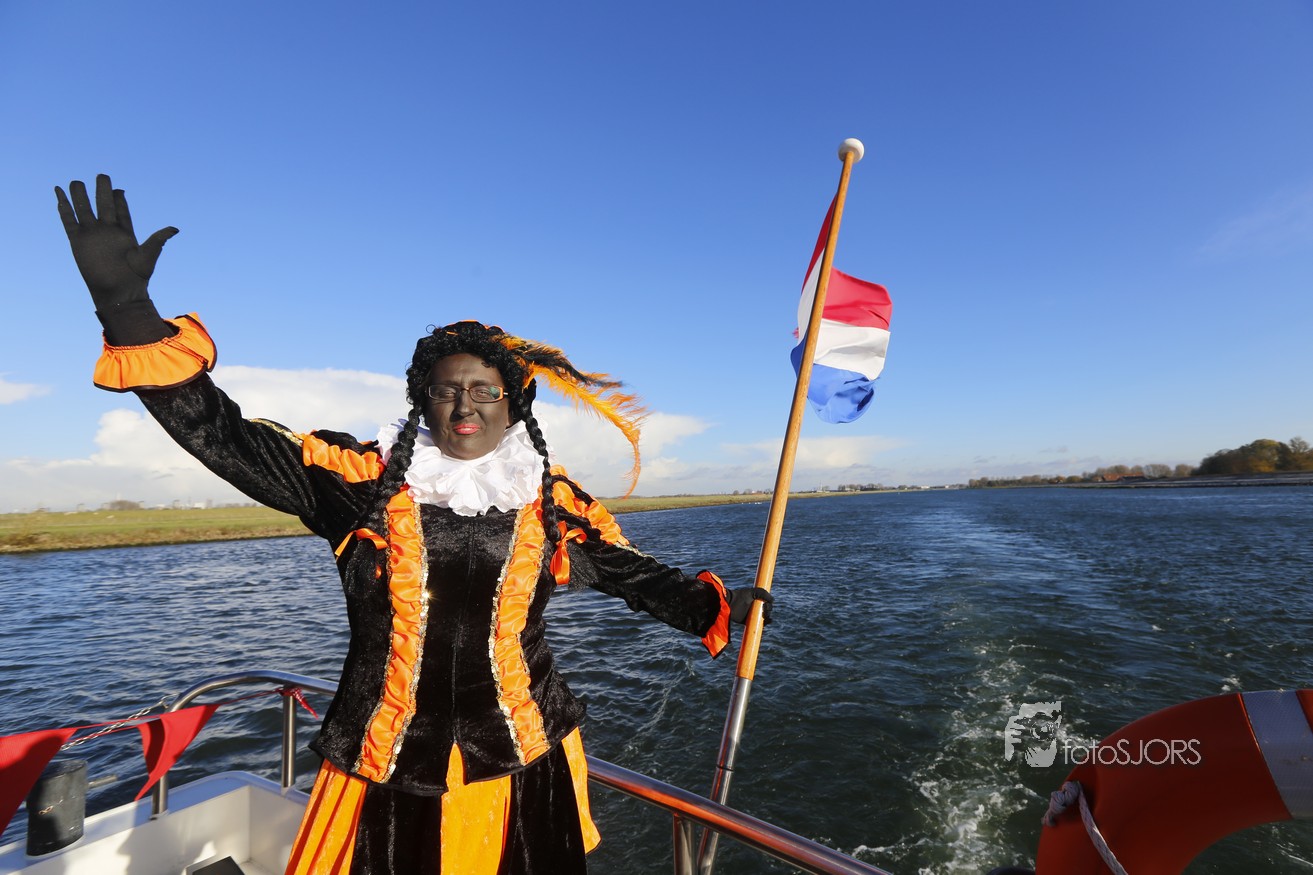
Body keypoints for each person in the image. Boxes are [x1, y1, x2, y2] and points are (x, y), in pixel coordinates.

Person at [55, 174, 772, 875]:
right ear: (422, 401)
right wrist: (129, 311)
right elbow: (226, 436)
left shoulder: (549, 503)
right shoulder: (356, 482)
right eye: (446, 390)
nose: (465, 406)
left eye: (484, 390)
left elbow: (634, 576)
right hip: (386, 764)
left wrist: (719, 606)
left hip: (525, 756)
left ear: (513, 404)